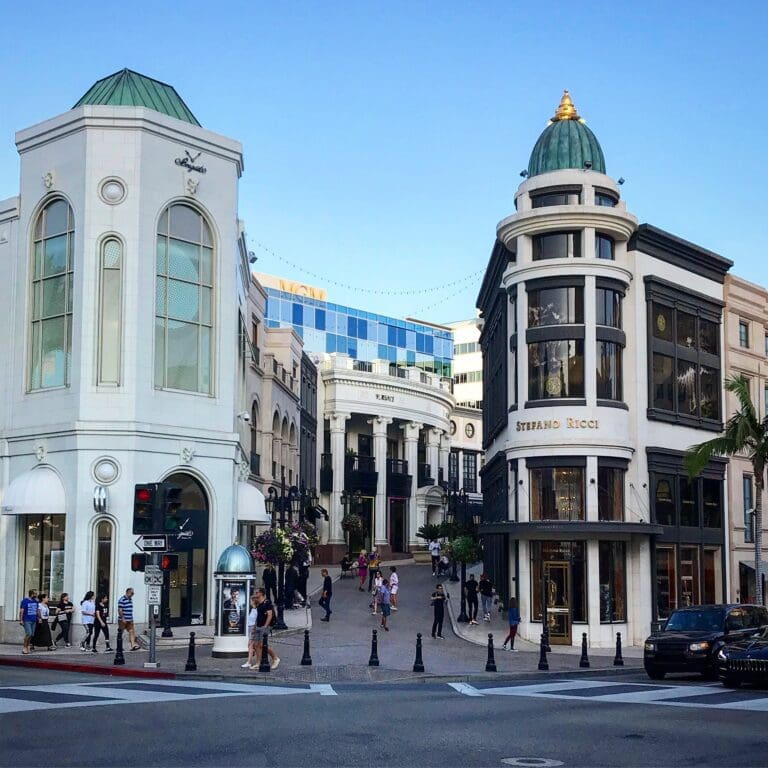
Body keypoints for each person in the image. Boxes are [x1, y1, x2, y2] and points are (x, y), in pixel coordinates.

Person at [250, 588, 279, 671]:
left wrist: (265, 626)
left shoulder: (267, 603)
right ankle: (258, 663)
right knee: (256, 645)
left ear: (262, 593)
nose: (255, 593)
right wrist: (255, 627)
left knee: (263, 645)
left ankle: (275, 658)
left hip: (264, 626)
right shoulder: (258, 603)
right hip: (258, 626)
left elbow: (270, 615)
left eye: (257, 592)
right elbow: (258, 616)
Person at [18, 589, 38, 654]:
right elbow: (21, 611)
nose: (36, 595)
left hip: (34, 620)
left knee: (32, 634)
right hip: (27, 620)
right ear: (32, 594)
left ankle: (28, 646)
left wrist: (39, 618)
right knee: (28, 633)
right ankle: (24, 648)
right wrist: (21, 620)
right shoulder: (25, 601)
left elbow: (37, 611)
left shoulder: (36, 601)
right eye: (35, 594)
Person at [243, 594, 259, 668]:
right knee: (253, 646)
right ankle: (257, 660)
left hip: (253, 628)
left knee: (250, 645)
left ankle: (249, 662)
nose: (250, 602)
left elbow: (256, 621)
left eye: (251, 601)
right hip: (250, 627)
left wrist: (253, 629)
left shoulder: (256, 610)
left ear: (253, 601)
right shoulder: (252, 609)